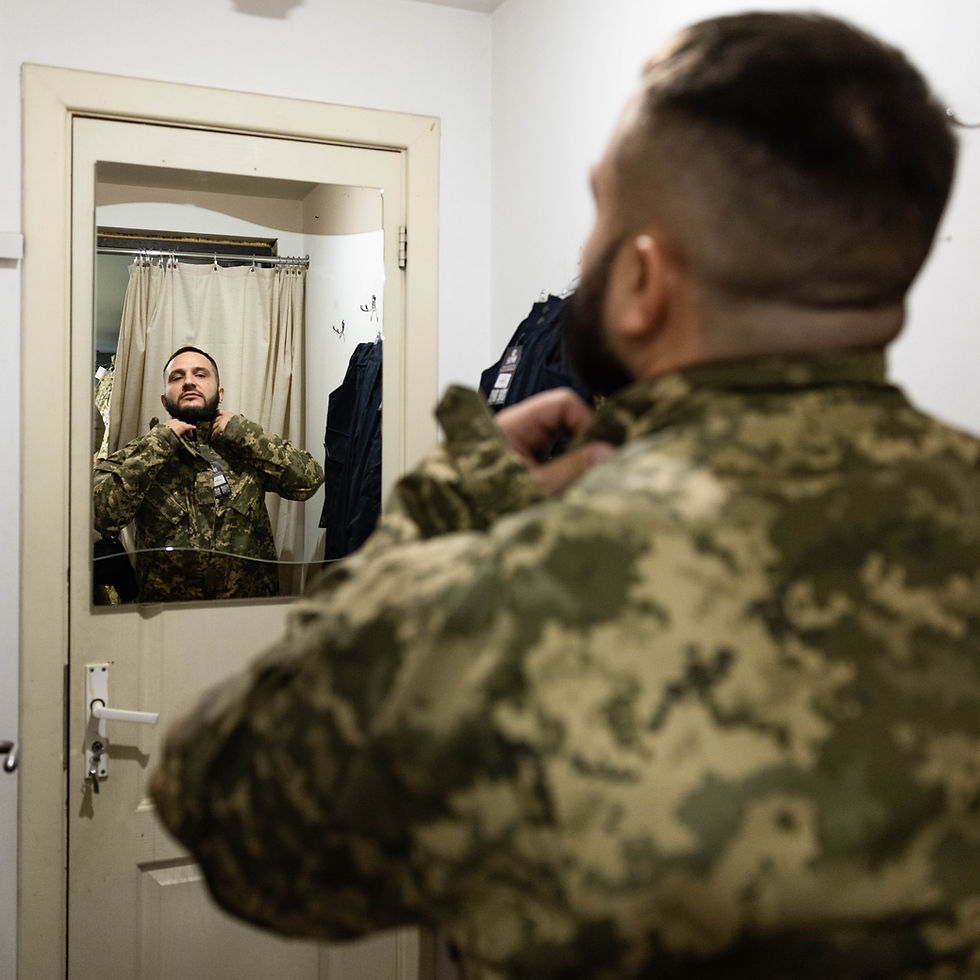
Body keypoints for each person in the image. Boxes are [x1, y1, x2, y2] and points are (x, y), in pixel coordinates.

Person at [150, 12, 980, 978]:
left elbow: (226, 803)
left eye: (603, 212)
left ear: (642, 276)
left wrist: (442, 510)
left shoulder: (521, 597)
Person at [93, 346, 324, 601]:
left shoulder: (245, 448)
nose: (189, 382)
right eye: (177, 377)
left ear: (220, 393)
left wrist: (243, 432)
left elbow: (308, 481)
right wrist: (158, 444)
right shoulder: (141, 453)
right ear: (164, 399)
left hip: (248, 615)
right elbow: (103, 517)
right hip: (168, 621)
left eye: (200, 375)